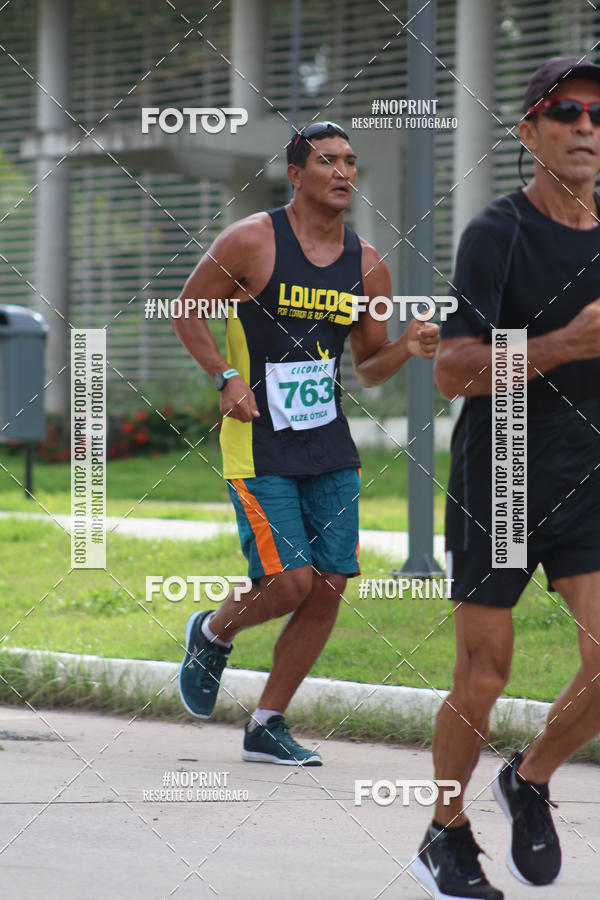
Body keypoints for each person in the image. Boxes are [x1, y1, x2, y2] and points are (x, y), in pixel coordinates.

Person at [172, 121, 438, 766]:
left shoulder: (368, 265)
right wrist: (225, 376)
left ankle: (268, 723)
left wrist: (404, 347)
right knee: (287, 583)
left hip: (328, 443)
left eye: (350, 161)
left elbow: (369, 365)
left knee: (328, 585)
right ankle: (211, 631)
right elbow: (186, 309)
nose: (343, 172)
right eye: (327, 161)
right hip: (257, 441)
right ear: (296, 175)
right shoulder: (251, 240)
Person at [411, 57, 600, 900]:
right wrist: (562, 344)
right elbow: (452, 368)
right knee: (484, 675)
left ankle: (528, 778)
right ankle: (444, 831)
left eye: (597, 114)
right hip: (506, 468)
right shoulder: (498, 233)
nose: (586, 127)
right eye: (565, 112)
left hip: (589, 471)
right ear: (529, 132)